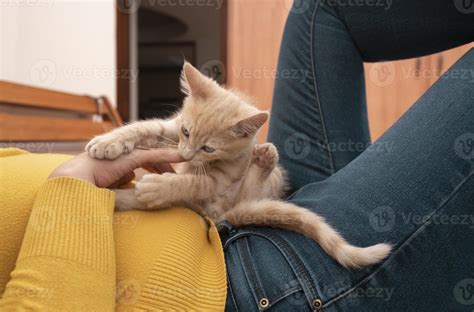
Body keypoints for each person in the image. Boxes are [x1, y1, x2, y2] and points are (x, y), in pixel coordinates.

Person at [1, 0, 473, 311]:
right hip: (249, 280)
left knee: (318, 11)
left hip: (262, 199)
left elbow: (175, 137)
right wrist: (76, 182)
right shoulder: (86, 183)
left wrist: (129, 146)